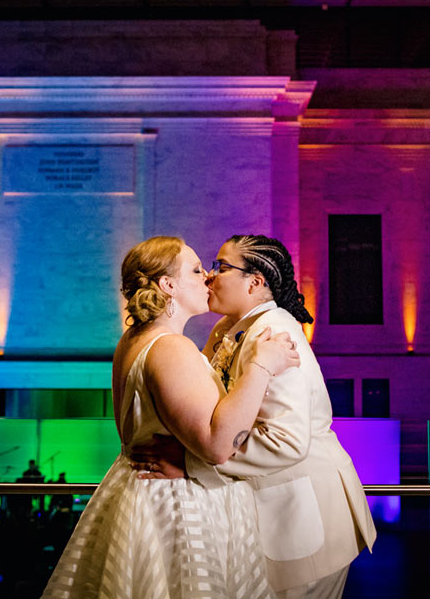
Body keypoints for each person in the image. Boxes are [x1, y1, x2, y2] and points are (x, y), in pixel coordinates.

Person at [41, 235, 300, 598]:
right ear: (168, 285)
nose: (208, 277)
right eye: (196, 270)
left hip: (140, 494)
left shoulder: (132, 340)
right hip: (178, 509)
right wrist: (261, 365)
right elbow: (217, 445)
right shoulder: (170, 347)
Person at [132, 235, 377, 598]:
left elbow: (286, 440)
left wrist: (191, 463)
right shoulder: (225, 329)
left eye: (221, 267)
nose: (210, 277)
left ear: (255, 282)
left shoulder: (275, 332)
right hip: (270, 514)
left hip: (302, 514)